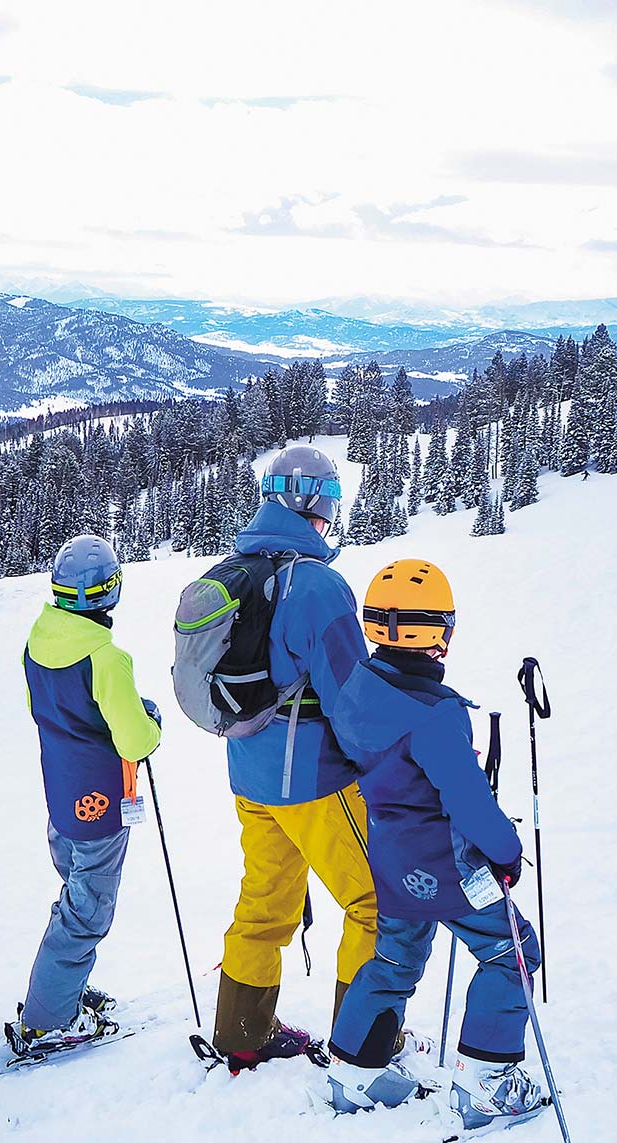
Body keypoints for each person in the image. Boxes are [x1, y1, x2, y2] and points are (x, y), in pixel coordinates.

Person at [324, 559, 546, 1128]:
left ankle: (355, 1075)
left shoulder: (356, 691)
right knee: (513, 950)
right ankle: (485, 1085)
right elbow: (468, 801)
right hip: (449, 863)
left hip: (393, 859)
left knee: (395, 957)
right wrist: (505, 850)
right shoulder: (436, 715)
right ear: (439, 633)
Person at [211, 445, 379, 1071]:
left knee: (265, 899)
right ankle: (366, 1045)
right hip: (313, 781)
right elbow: (351, 700)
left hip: (250, 776)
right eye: (331, 500)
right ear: (311, 502)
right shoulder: (317, 585)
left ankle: (241, 1033)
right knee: (373, 903)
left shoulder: (237, 572)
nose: (333, 514)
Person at [6, 534, 163, 1056]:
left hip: (60, 797)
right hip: (100, 803)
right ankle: (47, 1019)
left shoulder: (38, 640)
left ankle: (61, 992)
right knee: (86, 912)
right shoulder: (105, 657)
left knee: (76, 896)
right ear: (110, 592)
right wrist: (151, 721)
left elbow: (47, 708)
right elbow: (136, 740)